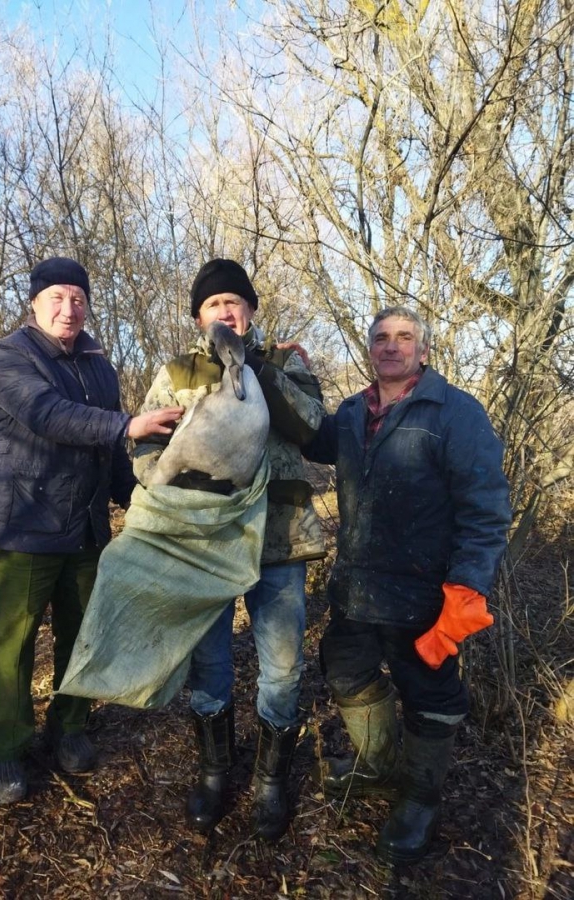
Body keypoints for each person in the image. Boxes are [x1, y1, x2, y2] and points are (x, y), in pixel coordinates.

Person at [302, 306, 511, 864]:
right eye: (381, 338)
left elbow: (486, 510)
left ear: (422, 350)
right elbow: (308, 437)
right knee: (344, 672)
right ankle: (380, 768)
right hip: (356, 589)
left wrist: (467, 587)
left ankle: (419, 798)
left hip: (426, 594)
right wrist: (290, 379)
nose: (391, 346)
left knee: (431, 696)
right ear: (369, 349)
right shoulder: (350, 413)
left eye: (404, 338)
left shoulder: (456, 414)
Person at [0, 256, 183, 804]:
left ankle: (68, 726)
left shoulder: (99, 366)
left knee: (82, 639)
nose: (69, 309)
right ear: (35, 304)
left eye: (78, 299)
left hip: (86, 531)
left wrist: (142, 500)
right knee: (11, 645)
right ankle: (4, 747)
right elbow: (48, 415)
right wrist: (129, 423)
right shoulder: (6, 357)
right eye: (57, 298)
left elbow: (111, 447)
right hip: (22, 528)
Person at [132, 258, 326, 841]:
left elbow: (313, 428)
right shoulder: (176, 373)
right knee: (210, 665)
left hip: (280, 539)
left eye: (234, 303)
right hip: (204, 543)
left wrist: (261, 371)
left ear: (250, 312)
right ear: (198, 317)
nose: (225, 312)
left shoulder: (287, 362)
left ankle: (269, 782)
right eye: (214, 305)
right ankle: (215, 774)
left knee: (283, 669)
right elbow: (145, 461)